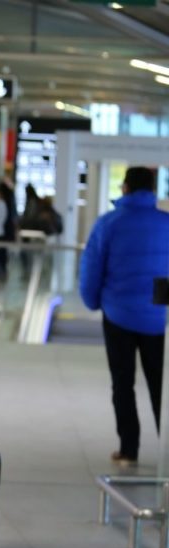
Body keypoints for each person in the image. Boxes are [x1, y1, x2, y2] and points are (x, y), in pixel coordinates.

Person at [81, 166, 169, 467]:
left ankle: (129, 449)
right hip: (159, 319)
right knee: (161, 384)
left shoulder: (108, 223)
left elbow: (91, 268)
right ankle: (166, 449)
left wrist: (92, 301)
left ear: (125, 188)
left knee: (123, 382)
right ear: (153, 191)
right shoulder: (165, 224)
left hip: (118, 315)